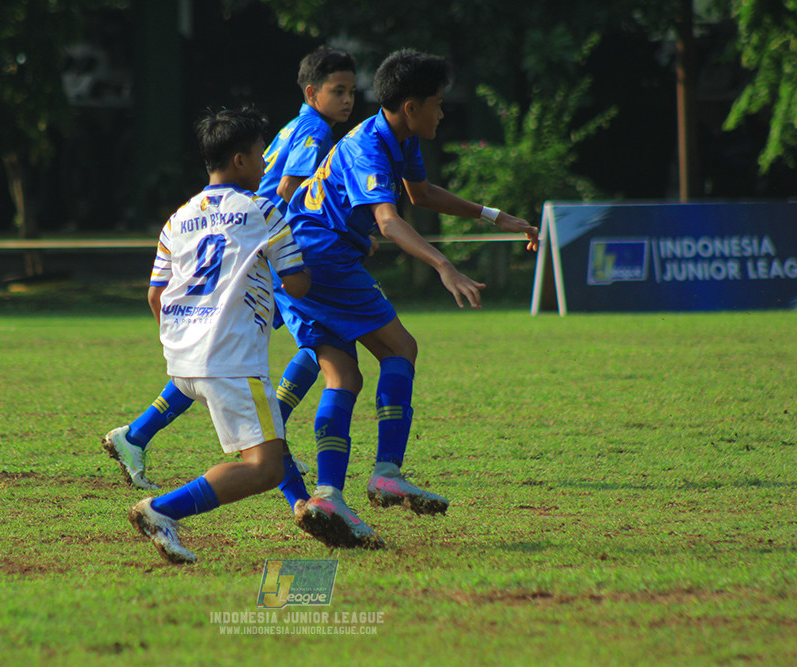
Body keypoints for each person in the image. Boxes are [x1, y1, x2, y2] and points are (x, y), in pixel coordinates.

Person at [274, 49, 539, 549]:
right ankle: (386, 474)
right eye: (437, 104)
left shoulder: (399, 137)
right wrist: (444, 265)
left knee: (344, 374)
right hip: (323, 257)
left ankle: (329, 492)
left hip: (302, 256)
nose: (442, 113)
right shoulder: (369, 145)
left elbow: (419, 195)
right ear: (412, 106)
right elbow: (389, 221)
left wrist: (495, 216)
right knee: (401, 349)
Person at [104, 47, 357, 497]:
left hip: (192, 331)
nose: (349, 100)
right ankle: (167, 503)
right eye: (340, 91)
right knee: (319, 341)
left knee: (223, 355)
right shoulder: (313, 135)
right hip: (264, 247)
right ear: (312, 92)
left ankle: (138, 435)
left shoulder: (179, 214)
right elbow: (284, 193)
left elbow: (155, 295)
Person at [117, 106, 310, 564]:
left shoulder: (177, 219)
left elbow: (156, 295)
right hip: (232, 359)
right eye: (261, 156)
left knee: (272, 443)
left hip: (183, 362)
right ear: (241, 161)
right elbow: (299, 283)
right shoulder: (263, 209)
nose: (265, 165)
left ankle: (305, 507)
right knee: (264, 466)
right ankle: (161, 510)